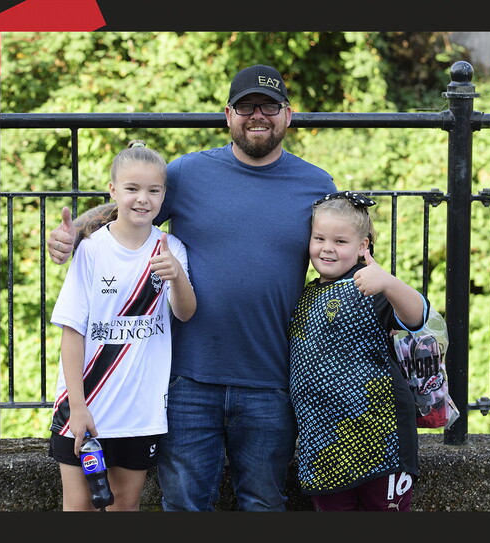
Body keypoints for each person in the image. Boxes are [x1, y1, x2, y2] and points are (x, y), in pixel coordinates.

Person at [47, 64, 337, 511]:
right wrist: (77, 233)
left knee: (263, 503)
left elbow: (337, 254)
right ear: (228, 115)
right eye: (246, 107)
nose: (257, 115)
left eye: (269, 107)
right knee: (183, 506)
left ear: (288, 115)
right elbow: (132, 204)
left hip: (271, 378)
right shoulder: (187, 173)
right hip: (187, 380)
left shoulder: (316, 185)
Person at [47, 140, 197, 511]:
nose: (142, 199)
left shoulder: (171, 248)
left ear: (164, 195)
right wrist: (78, 407)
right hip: (84, 407)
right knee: (79, 507)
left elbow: (185, 312)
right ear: (113, 190)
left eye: (153, 190)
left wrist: (176, 277)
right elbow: (72, 333)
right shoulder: (91, 249)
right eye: (132, 188)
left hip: (139, 411)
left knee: (124, 508)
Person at [288, 191, 426, 511]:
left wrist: (389, 283)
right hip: (324, 447)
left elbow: (418, 317)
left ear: (363, 246)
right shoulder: (303, 295)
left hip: (382, 443)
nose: (327, 248)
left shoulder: (369, 285)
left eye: (340, 241)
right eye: (319, 238)